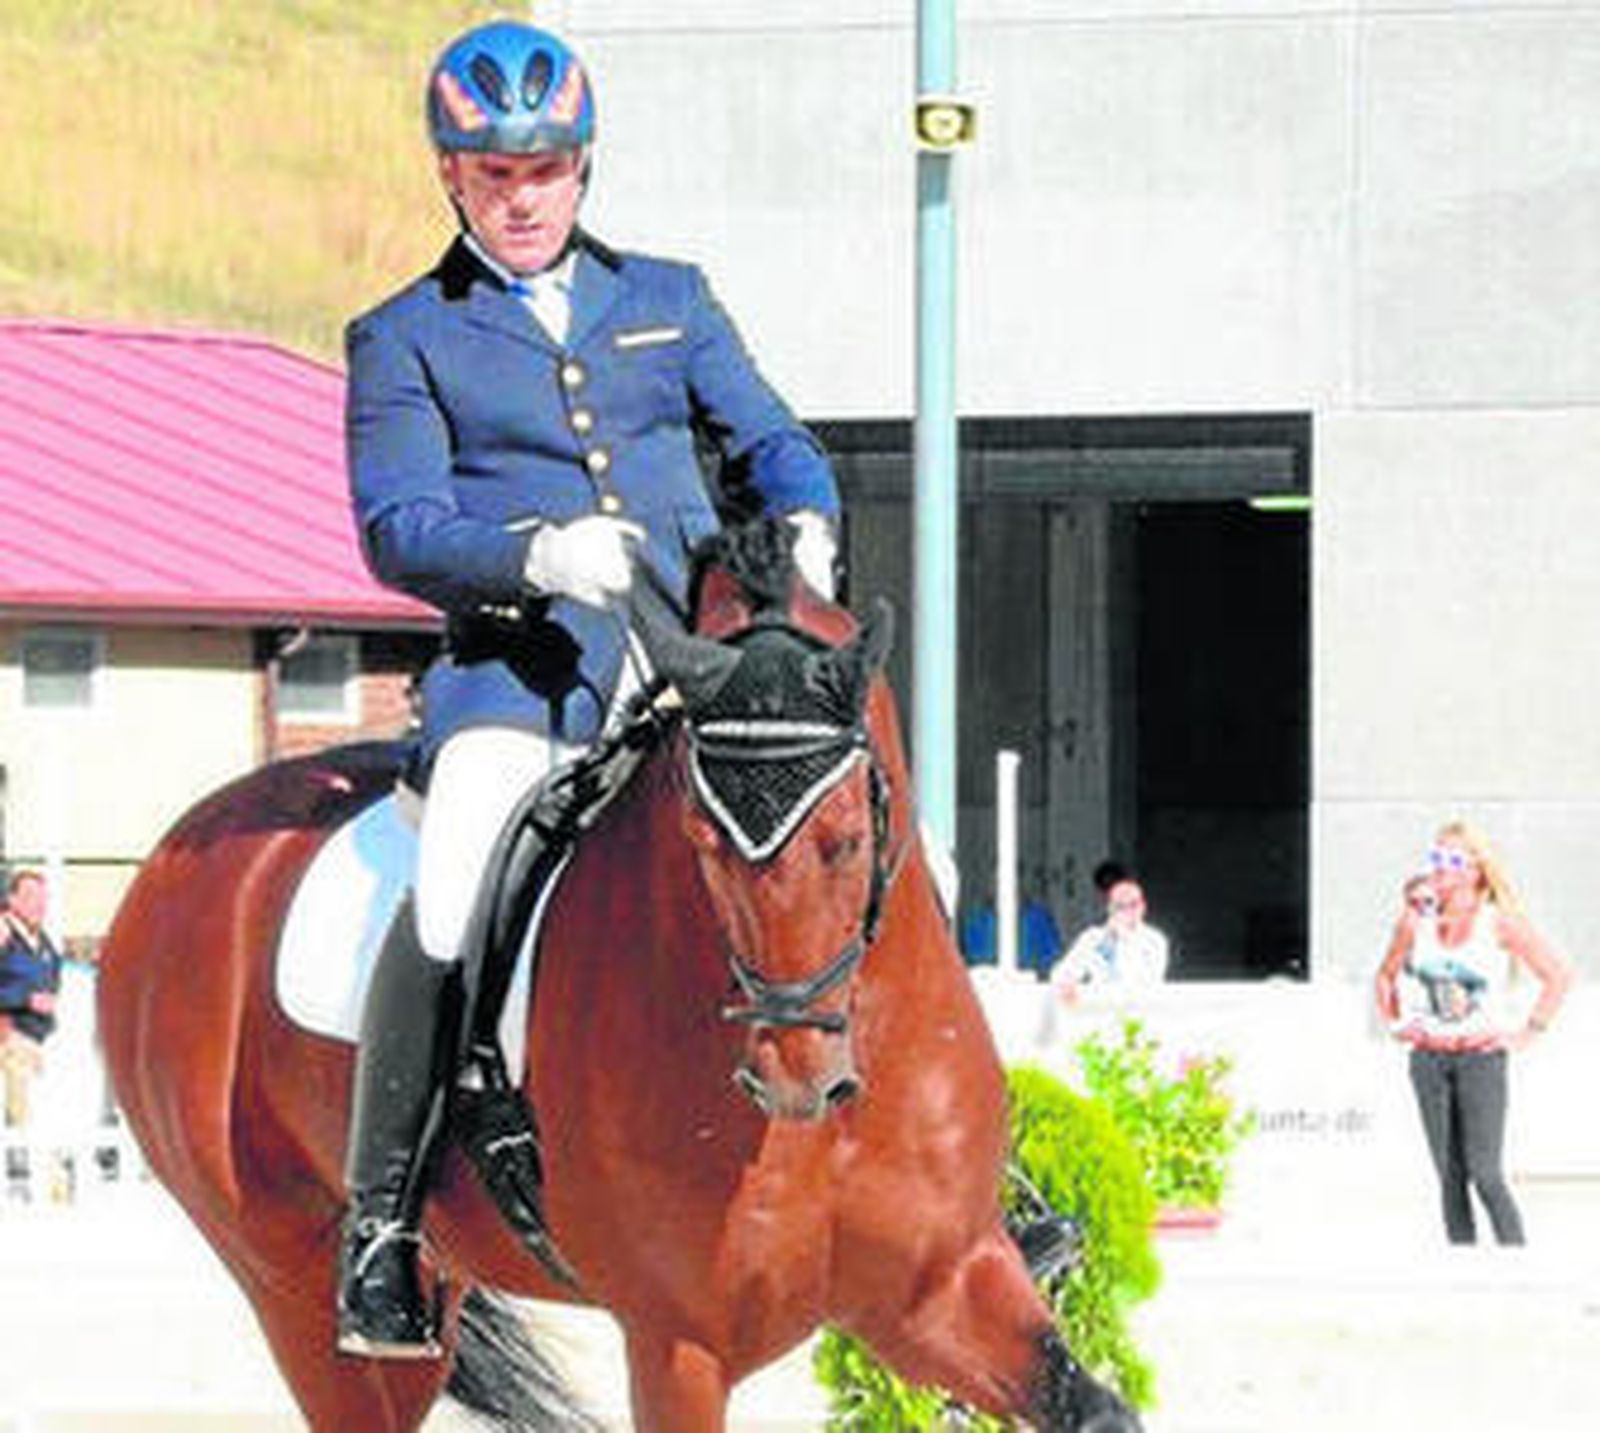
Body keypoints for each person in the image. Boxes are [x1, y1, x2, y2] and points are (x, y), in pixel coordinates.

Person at [339, 20, 841, 1358]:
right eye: (494, 173)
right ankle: (383, 1223)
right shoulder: (403, 336)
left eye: (546, 169)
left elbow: (773, 438)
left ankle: (973, 1161)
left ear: (581, 168)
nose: (522, 196)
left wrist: (805, 521)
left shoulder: (670, 295)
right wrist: (527, 554)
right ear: (452, 176)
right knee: (453, 873)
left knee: (874, 829)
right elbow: (394, 525)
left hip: (700, 659)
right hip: (525, 675)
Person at [1374, 820, 1571, 1245]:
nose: (1440, 867)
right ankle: (1465, 1272)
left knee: (1485, 1172)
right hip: (1429, 1058)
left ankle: (1517, 1266)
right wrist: (1395, 1024)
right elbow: (1385, 976)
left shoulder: (1498, 922)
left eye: (1452, 859)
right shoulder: (1416, 921)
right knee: (1449, 1175)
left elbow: (1557, 975)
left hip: (1480, 1057)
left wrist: (1526, 1033)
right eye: (1436, 857)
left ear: (1475, 869)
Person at [0, 870, 63, 1135]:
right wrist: (25, 998)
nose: (40, 903)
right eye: (30, 896)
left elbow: (52, 979)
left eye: (43, 897)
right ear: (11, 900)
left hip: (40, 1037)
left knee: (36, 1110)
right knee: (26, 1117)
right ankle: (46, 1173)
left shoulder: (43, 941)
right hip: (11, 1035)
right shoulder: (4, 934)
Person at [1051, 877, 1170, 1002]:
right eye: (1120, 906)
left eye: (1133, 904)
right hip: (1100, 1009)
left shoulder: (1155, 940)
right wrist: (1068, 984)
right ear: (1110, 908)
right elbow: (1060, 974)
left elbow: (1145, 983)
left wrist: (1123, 938)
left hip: (1138, 1014)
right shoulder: (1093, 938)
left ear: (1143, 906)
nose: (1128, 911)